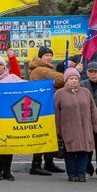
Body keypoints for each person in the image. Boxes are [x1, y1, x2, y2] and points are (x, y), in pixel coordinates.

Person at [54, 68, 97, 182]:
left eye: (76, 78)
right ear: (66, 80)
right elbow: (56, 113)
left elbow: (93, 110)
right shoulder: (59, 93)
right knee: (70, 153)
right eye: (71, 78)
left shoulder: (86, 92)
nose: (74, 81)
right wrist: (56, 130)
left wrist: (96, 126)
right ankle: (72, 174)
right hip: (68, 129)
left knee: (84, 152)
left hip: (85, 129)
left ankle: (81, 174)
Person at [27, 46, 68, 176]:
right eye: (46, 55)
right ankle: (36, 165)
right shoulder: (40, 70)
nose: (49, 57)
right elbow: (62, 79)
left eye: (51, 55)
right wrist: (74, 71)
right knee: (42, 135)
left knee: (50, 134)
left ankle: (48, 163)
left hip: (48, 106)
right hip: (43, 107)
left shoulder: (46, 69)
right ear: (40, 57)